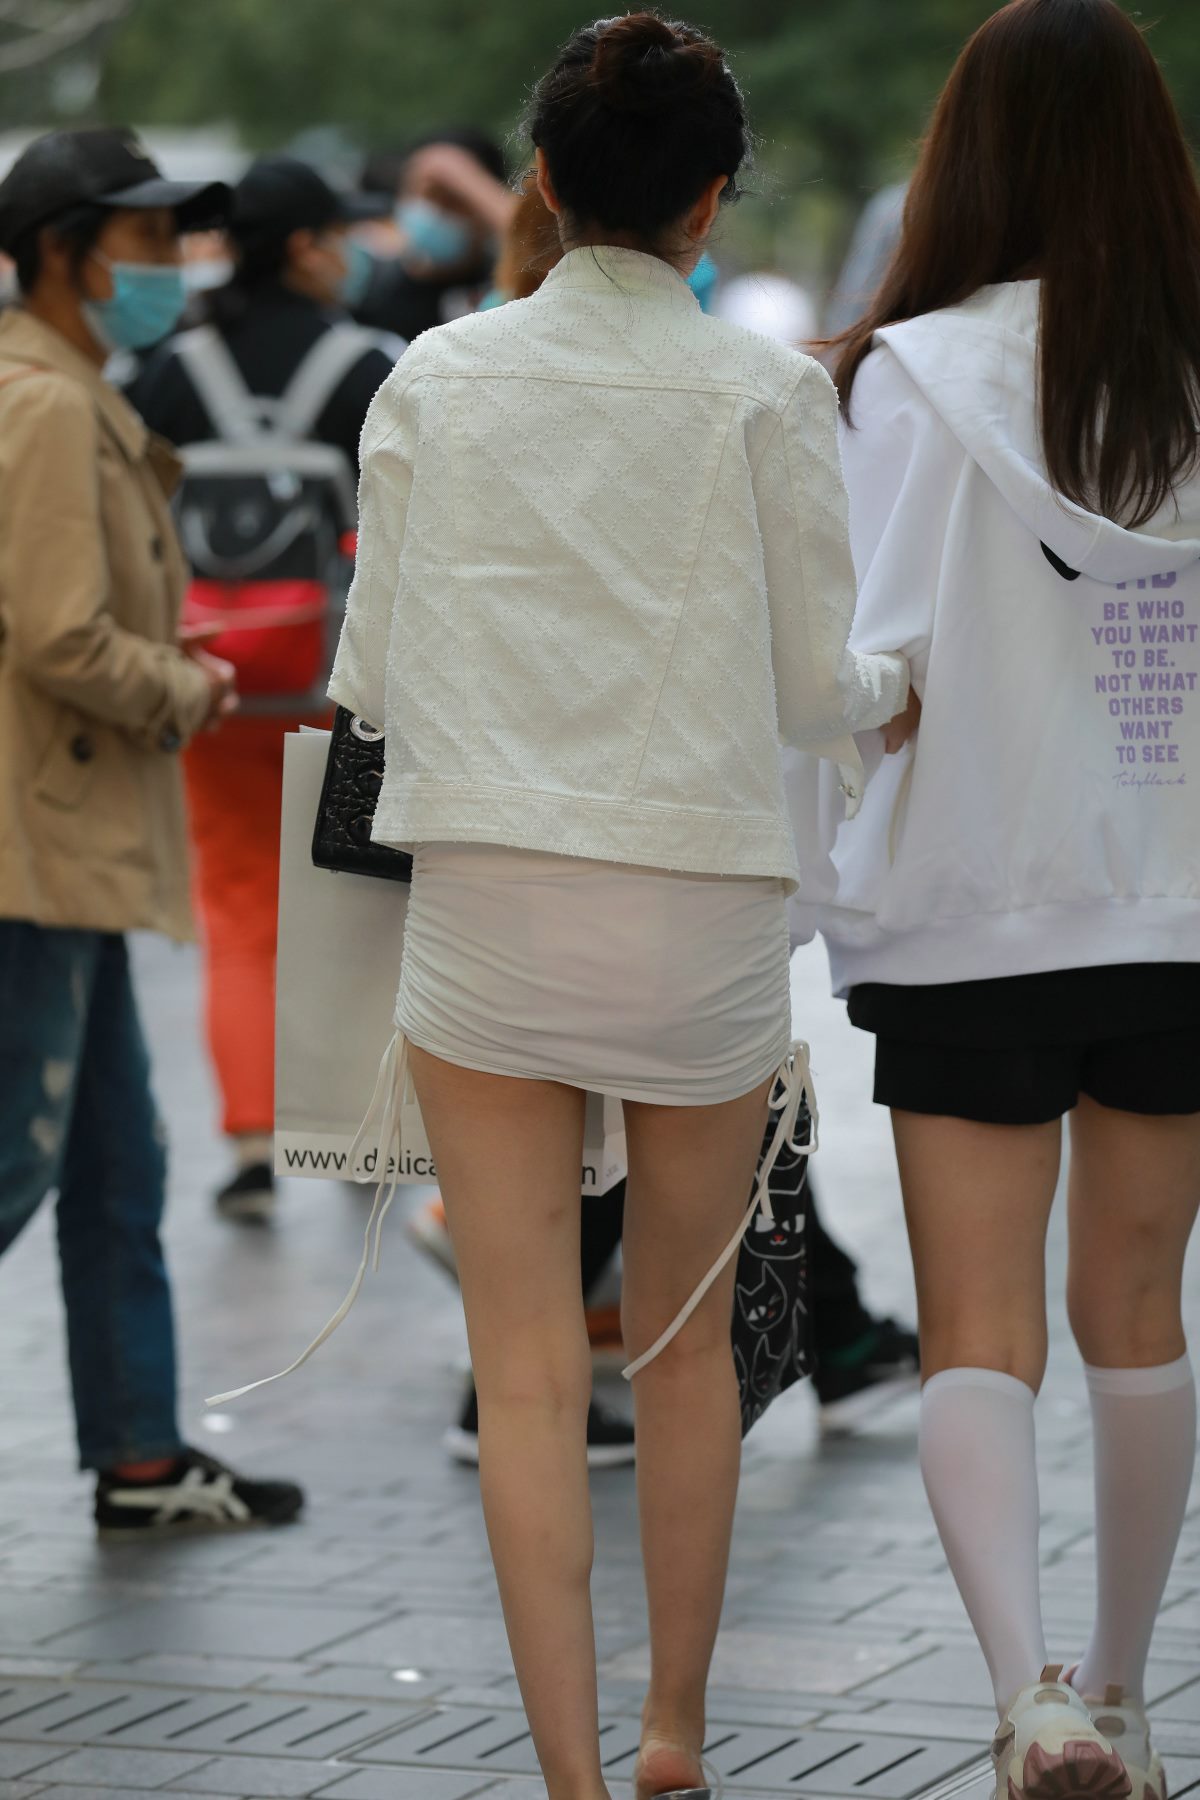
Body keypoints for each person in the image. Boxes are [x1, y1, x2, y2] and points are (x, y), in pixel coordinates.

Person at [326, 17, 911, 1799]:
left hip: (488, 903)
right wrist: (899, 685)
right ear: (712, 199)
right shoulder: (767, 392)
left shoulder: (435, 375)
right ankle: (675, 1734)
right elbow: (814, 687)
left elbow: (372, 679)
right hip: (695, 917)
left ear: (546, 180)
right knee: (684, 1350)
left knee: (522, 1368)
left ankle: (573, 1778)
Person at [809, 4, 1200, 1797]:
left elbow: (865, 660)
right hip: (1178, 903)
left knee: (976, 1323)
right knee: (1142, 1310)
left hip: (971, 902)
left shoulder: (903, 379)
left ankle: (1025, 1696)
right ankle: (1126, 1690)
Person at [0, 127, 303, 1534]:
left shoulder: (75, 393)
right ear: (64, 255)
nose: (173, 263)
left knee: (119, 1165)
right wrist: (184, 684)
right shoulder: (47, 406)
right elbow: (59, 635)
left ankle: (138, 1454)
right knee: (22, 1154)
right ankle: (135, 1446)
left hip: (73, 842)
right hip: (36, 847)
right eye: (145, 238)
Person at [129, 156, 401, 1222]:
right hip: (342, 680)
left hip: (212, 679)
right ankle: (355, 1128)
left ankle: (250, 1144)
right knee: (356, 903)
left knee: (237, 906)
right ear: (303, 246)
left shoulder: (166, 371)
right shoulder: (370, 367)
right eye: (338, 235)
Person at [353, 128, 517, 340]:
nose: (431, 212)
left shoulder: (509, 286)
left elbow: (541, 241)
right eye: (416, 195)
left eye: (452, 198)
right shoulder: (369, 290)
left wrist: (464, 175)